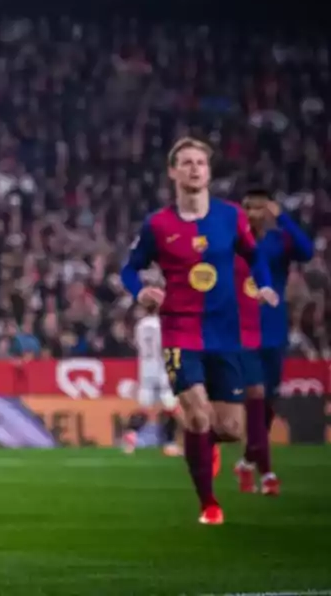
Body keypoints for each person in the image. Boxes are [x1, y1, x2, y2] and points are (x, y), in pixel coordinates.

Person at [119, 138, 278, 525]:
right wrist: (142, 292)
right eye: (186, 163)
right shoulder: (158, 224)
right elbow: (129, 269)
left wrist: (266, 283)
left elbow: (255, 256)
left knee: (229, 427)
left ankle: (204, 446)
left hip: (224, 334)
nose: (194, 169)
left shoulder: (230, 216)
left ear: (208, 171)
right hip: (180, 332)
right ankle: (209, 503)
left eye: (201, 163)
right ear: (173, 172)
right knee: (196, 415)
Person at [233, 186, 314, 496]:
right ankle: (267, 474)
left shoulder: (279, 240)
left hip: (274, 332)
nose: (254, 213)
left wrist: (287, 219)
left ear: (269, 210)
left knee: (267, 404)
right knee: (255, 398)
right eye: (249, 207)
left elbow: (306, 252)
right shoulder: (234, 243)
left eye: (259, 207)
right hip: (244, 332)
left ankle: (246, 462)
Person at [122, 307, 181, 457]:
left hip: (146, 368)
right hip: (162, 367)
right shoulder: (163, 324)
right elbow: (166, 346)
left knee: (145, 408)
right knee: (170, 407)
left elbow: (136, 344)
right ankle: (170, 443)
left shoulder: (140, 325)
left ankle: (130, 438)